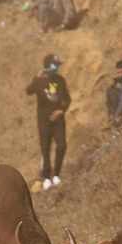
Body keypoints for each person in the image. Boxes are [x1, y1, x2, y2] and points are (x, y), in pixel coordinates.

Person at [26, 54, 71, 191]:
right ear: (48, 65)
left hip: (58, 120)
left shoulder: (60, 80)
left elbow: (67, 99)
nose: (57, 67)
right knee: (45, 149)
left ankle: (56, 174)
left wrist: (61, 110)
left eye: (58, 65)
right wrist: (36, 78)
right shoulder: (40, 81)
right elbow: (29, 91)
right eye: (55, 65)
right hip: (43, 121)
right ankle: (46, 177)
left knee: (62, 145)